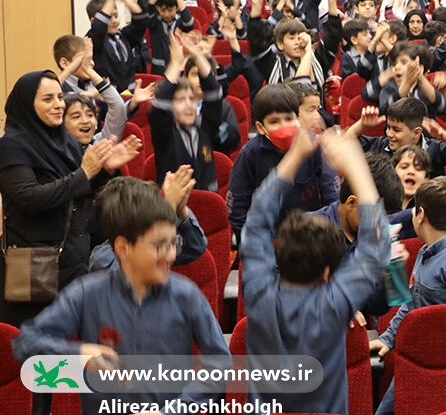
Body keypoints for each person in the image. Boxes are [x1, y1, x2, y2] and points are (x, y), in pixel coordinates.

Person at [13, 175, 229, 415]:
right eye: (158, 245)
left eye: (173, 242)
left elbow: (220, 365)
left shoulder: (185, 296)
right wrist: (78, 354)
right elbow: (25, 343)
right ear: (123, 249)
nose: (172, 254)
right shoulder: (87, 294)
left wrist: (172, 412)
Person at [241, 127, 391, 415]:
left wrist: (294, 156)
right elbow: (376, 247)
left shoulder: (258, 293)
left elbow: (257, 219)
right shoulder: (334, 304)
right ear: (327, 272)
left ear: (279, 258)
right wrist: (355, 166)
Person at [0, 71, 137, 324]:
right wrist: (86, 173)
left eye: (60, 97)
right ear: (28, 103)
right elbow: (29, 197)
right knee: (39, 356)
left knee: (74, 352)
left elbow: (80, 193)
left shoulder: (67, 142)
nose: (58, 104)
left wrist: (104, 171)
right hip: (35, 270)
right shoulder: (12, 145)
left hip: (74, 263)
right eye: (47, 99)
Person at [370, 177, 446, 415]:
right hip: (419, 361)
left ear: (420, 214)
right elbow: (411, 304)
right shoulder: (426, 251)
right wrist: (387, 339)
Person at [226, 85, 339, 239]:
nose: (284, 126)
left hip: (309, 237)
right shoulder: (250, 154)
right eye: (274, 121)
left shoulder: (313, 146)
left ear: (298, 118)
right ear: (260, 127)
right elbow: (238, 209)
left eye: (289, 119)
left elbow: (332, 197)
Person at [148, 32, 224, 193]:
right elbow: (159, 105)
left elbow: (214, 93)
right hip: (173, 210)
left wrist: (196, 55)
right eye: (181, 100)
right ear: (171, 106)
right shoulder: (165, 134)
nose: (189, 105)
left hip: (206, 209)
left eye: (191, 99)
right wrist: (176, 63)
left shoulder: (204, 127)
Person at [351, 99, 446, 178]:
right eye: (388, 128)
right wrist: (361, 125)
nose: (389, 134)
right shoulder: (380, 145)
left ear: (416, 133)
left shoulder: (434, 149)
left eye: (396, 130)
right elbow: (344, 143)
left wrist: (443, 134)